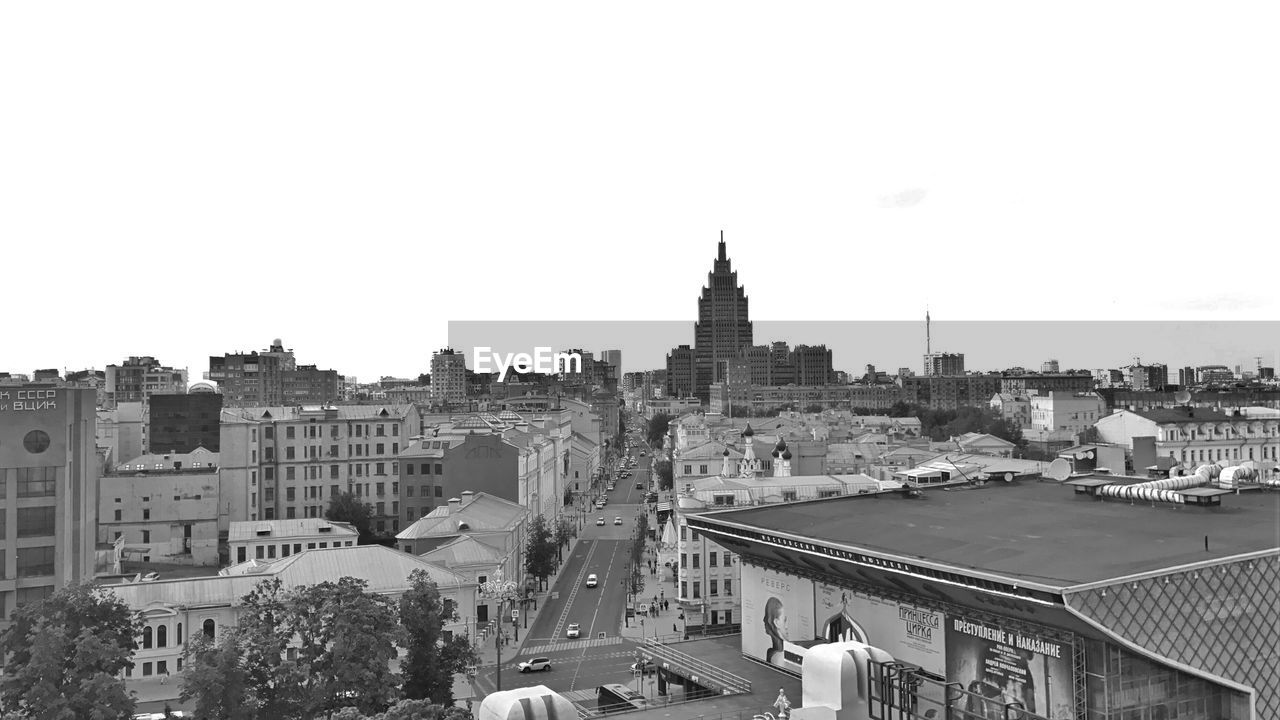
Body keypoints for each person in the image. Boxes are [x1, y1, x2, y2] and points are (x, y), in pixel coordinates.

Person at [763, 597, 788, 667]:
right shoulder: (779, 657)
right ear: (776, 622)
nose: (787, 626)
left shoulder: (772, 652)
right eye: (785, 620)